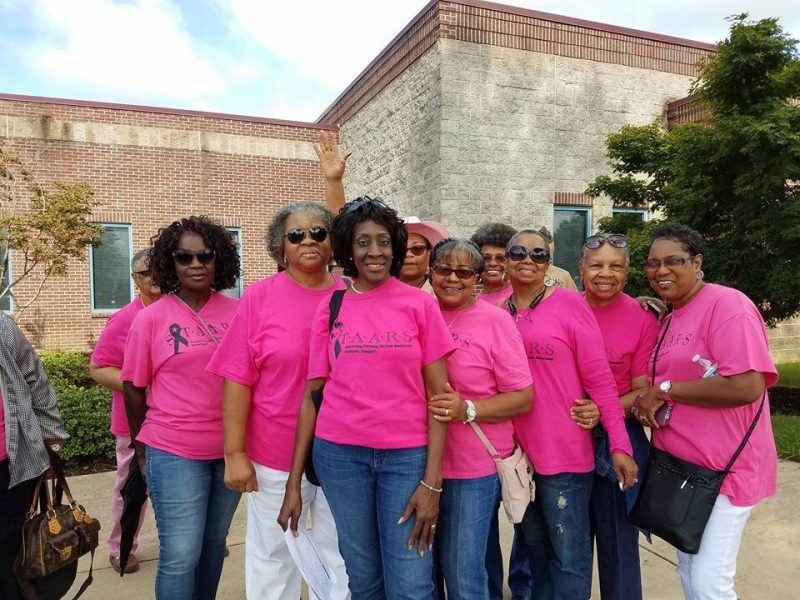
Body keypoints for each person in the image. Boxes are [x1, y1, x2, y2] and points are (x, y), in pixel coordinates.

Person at [279, 197, 455, 599]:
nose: (374, 252)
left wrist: (432, 483)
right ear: (348, 249)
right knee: (363, 578)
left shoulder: (419, 304)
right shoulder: (332, 306)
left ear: (394, 247)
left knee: (411, 580)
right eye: (363, 242)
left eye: (383, 242)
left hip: (407, 458)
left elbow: (440, 399)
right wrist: (293, 484)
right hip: (341, 457)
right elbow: (312, 396)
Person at [206, 202, 350, 600]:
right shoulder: (259, 298)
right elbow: (237, 378)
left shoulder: (352, 295)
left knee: (340, 555)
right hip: (274, 453)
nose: (309, 240)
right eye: (297, 234)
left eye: (320, 232)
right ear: (280, 246)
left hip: (343, 451)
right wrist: (235, 452)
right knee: (274, 555)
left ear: (333, 242)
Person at [633, 223, 777, 600]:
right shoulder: (671, 315)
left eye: (673, 261)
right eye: (652, 263)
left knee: (709, 581)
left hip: (724, 470)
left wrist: (665, 389)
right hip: (682, 471)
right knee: (690, 568)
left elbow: (747, 385)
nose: (661, 271)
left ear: (697, 263)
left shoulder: (727, 305)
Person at [504, 229, 637, 600]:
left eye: (538, 253)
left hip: (564, 457)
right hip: (515, 457)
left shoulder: (569, 305)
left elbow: (602, 383)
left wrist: (620, 446)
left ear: (549, 262)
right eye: (518, 252)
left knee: (569, 557)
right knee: (535, 547)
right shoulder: (499, 310)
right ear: (506, 260)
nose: (528, 259)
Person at [122, 216, 241, 600]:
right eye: (184, 257)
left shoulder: (239, 312)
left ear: (218, 260)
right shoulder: (150, 319)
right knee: (180, 552)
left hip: (230, 451)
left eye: (204, 256)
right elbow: (133, 386)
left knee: (213, 543)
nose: (195, 264)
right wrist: (142, 446)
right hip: (174, 451)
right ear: (169, 263)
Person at [426, 238, 532, 600]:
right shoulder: (419, 311)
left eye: (464, 272)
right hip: (416, 464)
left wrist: (468, 408)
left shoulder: (495, 321)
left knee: (464, 575)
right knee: (424, 572)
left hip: (472, 468)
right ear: (431, 272)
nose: (453, 278)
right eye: (444, 270)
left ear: (478, 278)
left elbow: (523, 397)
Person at [578, 234, 659, 600]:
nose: (605, 274)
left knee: (619, 548)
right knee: (563, 544)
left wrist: (603, 409)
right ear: (581, 268)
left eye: (616, 266)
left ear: (627, 273)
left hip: (617, 441)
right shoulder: (563, 306)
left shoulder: (642, 318)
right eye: (596, 265)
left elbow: (642, 389)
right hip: (565, 438)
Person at [89, 248, 162, 574]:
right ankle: (121, 548)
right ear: (135, 280)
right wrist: (140, 385)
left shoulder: (183, 312)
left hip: (179, 420)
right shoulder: (124, 319)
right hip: (134, 423)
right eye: (147, 273)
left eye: (160, 269)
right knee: (131, 488)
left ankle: (192, 543)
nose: (155, 277)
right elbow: (99, 368)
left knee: (178, 487)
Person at [0, 314, 69, 600]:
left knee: (9, 555)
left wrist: (52, 439)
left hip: (11, 466)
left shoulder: (2, 326)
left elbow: (34, 378)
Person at [470, 222, 517, 306]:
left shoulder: (519, 296)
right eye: (486, 258)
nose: (493, 263)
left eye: (500, 258)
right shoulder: (472, 301)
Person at [401, 217, 449, 293]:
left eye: (417, 248)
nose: (408, 254)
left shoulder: (444, 294)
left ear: (429, 254)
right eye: (401, 249)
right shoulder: (378, 293)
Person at [535, 226, 578, 290]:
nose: (547, 254)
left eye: (549, 251)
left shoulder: (564, 275)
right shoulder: (527, 273)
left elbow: (575, 299)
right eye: (542, 251)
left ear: (553, 249)